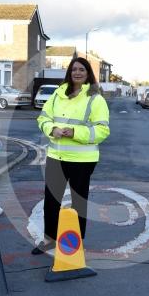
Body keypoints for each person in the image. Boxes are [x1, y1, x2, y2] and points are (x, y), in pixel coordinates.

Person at [33, 57, 110, 254]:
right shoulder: (58, 94)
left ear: (87, 73)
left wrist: (74, 133)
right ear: (69, 72)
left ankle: (75, 242)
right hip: (56, 157)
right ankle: (49, 239)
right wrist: (52, 129)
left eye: (81, 70)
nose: (77, 72)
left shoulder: (95, 98)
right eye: (74, 69)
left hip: (82, 160)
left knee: (79, 203)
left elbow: (102, 130)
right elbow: (43, 118)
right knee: (51, 201)